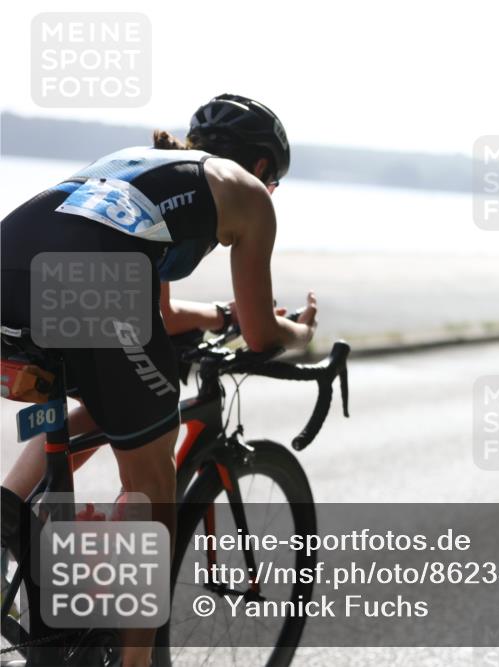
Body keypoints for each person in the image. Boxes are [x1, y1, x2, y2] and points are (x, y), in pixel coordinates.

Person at [0, 93, 317, 667]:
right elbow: (263, 333)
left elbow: (164, 316)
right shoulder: (248, 193)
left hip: (11, 262)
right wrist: (302, 334)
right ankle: (136, 661)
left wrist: (221, 315)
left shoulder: (146, 165)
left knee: (112, 403)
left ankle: (7, 511)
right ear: (265, 167)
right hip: (95, 275)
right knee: (154, 476)